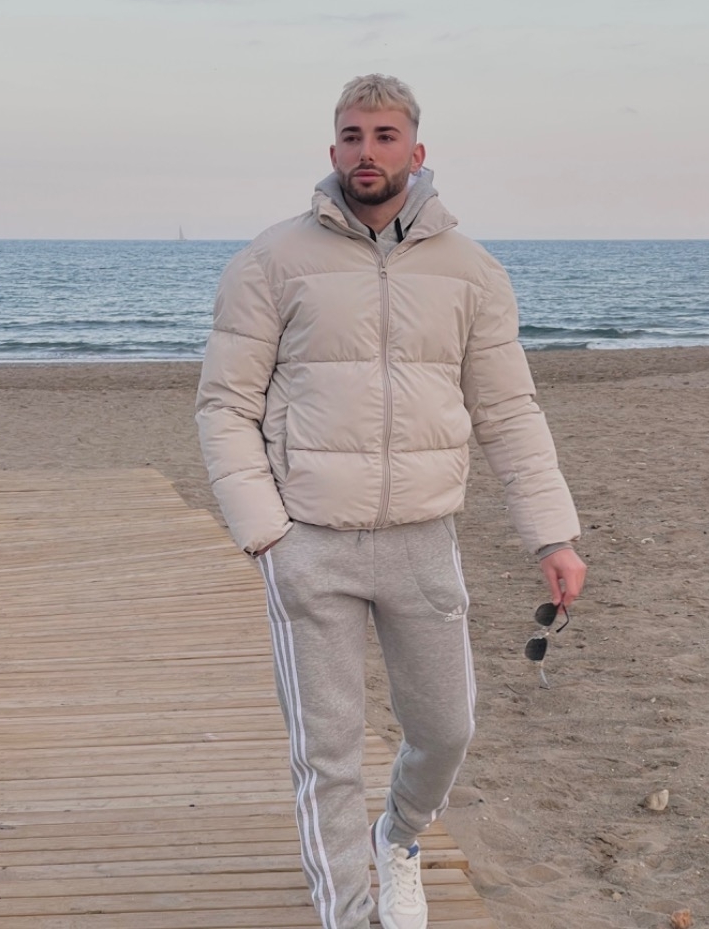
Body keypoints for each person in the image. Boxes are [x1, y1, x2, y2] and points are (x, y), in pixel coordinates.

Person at [196, 74, 586, 929]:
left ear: (416, 150)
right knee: (328, 753)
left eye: (382, 136)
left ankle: (399, 838)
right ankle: (347, 912)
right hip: (309, 542)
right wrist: (265, 531)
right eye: (351, 136)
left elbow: (509, 411)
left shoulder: (471, 271)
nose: (365, 152)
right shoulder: (271, 261)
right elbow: (224, 406)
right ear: (332, 149)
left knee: (446, 729)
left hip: (422, 539)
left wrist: (552, 536)